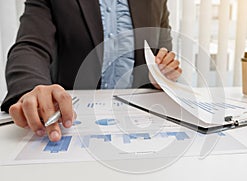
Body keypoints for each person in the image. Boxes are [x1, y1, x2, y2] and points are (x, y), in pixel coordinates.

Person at [1, 0, 182, 142]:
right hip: (71, 118)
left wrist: (162, 74)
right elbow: (31, 47)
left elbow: (161, 53)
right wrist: (32, 88)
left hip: (139, 121)